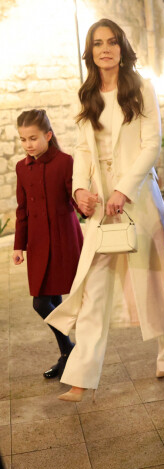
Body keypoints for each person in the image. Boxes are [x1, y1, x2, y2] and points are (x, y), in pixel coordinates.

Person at [46, 18, 164, 402]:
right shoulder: (86, 93)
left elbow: (150, 146)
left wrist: (123, 190)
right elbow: (82, 148)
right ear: (90, 51)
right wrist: (80, 188)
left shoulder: (140, 87)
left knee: (154, 280)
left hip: (138, 200)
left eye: (111, 42)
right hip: (99, 205)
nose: (105, 49)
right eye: (98, 43)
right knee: (94, 288)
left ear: (121, 47)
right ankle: (81, 377)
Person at [13, 109, 83, 379]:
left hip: (64, 239)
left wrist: (90, 205)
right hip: (39, 244)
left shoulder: (65, 161)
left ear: (48, 135)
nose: (28, 145)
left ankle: (68, 352)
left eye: (32, 138)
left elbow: (76, 198)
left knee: (49, 301)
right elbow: (22, 210)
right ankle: (69, 351)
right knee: (44, 301)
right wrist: (18, 246)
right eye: (23, 139)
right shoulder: (21, 167)